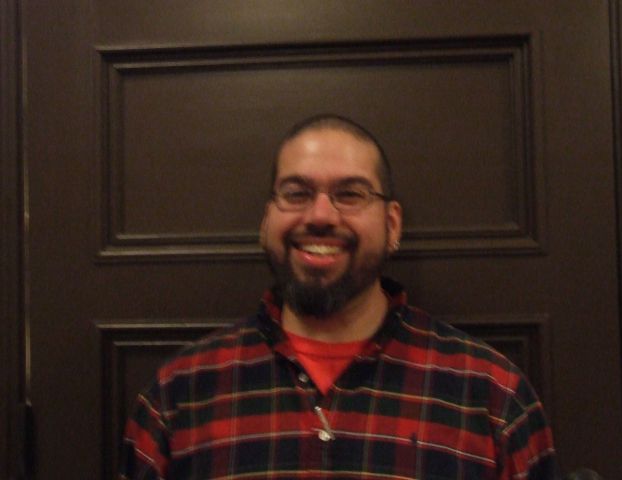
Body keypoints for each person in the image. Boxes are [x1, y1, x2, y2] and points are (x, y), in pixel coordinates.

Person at [120, 114, 557, 479]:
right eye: (296, 193)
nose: (321, 216)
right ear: (266, 220)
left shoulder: (492, 397)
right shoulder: (179, 395)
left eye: (350, 194)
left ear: (392, 225)